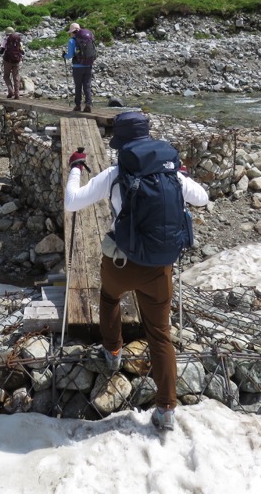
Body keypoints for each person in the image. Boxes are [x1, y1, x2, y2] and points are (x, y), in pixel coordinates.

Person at [63, 111, 209, 431]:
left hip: (121, 263)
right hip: (159, 268)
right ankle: (166, 409)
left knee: (109, 298)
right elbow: (202, 197)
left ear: (121, 143)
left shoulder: (115, 173)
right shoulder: (171, 172)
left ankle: (112, 350)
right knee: (159, 334)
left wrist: (75, 168)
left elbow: (72, 202)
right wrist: (180, 173)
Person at [62, 22, 96, 112]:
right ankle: (88, 105)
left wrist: (64, 55)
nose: (70, 34)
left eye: (70, 32)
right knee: (87, 86)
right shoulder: (88, 38)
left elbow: (70, 55)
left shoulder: (72, 41)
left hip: (77, 67)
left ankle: (78, 106)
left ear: (72, 32)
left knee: (78, 86)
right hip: (88, 65)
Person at [0, 27, 24, 99]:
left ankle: (11, 91)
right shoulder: (18, 39)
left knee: (6, 76)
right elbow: (22, 52)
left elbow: (1, 51)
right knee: (16, 77)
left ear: (6, 32)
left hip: (7, 61)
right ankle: (17, 94)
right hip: (16, 61)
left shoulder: (5, 39)